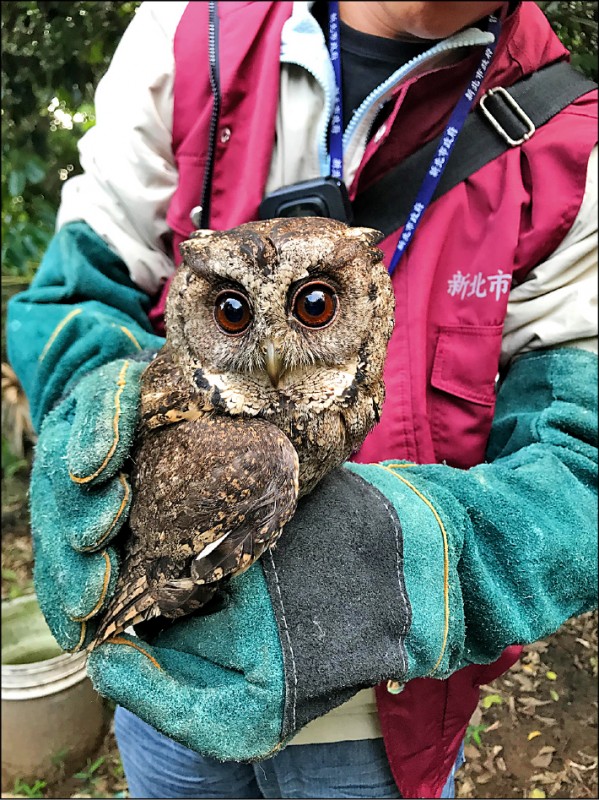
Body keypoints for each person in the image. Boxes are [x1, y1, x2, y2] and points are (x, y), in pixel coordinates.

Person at [6, 1, 597, 798]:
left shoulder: (570, 143)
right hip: (169, 677)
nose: (274, 356)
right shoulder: (191, 30)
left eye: (316, 308)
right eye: (231, 312)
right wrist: (88, 411)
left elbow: (581, 461)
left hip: (389, 715)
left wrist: (420, 565)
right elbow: (76, 290)